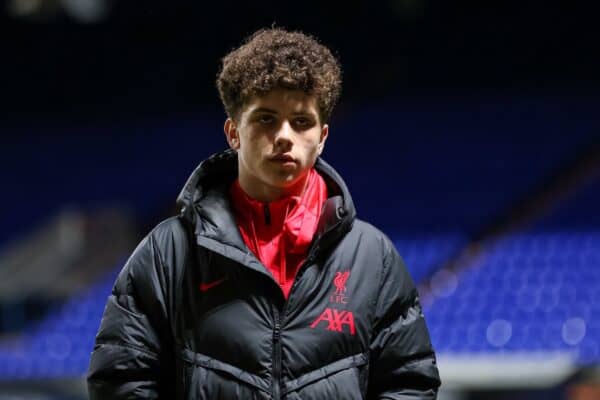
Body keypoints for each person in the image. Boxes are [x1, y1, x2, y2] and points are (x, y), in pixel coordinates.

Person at [87, 28, 441, 399]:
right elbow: (120, 379)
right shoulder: (169, 251)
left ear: (322, 138)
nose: (285, 135)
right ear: (233, 132)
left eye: (301, 121)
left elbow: (409, 383)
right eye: (266, 119)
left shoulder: (372, 257)